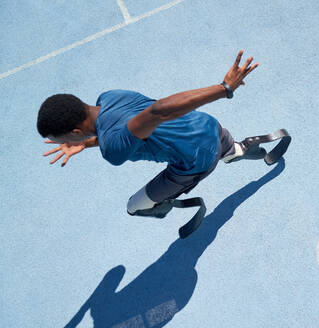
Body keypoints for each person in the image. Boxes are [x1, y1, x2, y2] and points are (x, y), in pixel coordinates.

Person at [37, 50, 264, 216]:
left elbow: (158, 111)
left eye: (65, 138)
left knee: (133, 207)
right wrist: (86, 143)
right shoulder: (109, 96)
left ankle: (162, 204)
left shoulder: (112, 151)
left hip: (196, 160)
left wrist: (224, 89)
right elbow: (125, 128)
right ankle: (235, 149)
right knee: (214, 143)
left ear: (76, 131)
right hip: (209, 126)